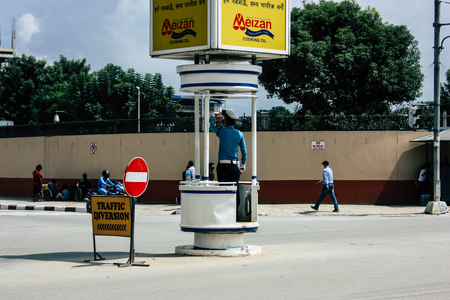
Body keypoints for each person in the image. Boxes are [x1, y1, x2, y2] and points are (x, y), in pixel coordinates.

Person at [210, 109, 247, 215]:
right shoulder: (239, 134)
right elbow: (244, 150)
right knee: (235, 189)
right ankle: (235, 212)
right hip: (234, 166)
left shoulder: (221, 131)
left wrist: (212, 117)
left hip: (222, 165)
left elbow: (211, 127)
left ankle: (224, 213)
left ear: (226, 121)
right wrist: (243, 164)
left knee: (223, 189)